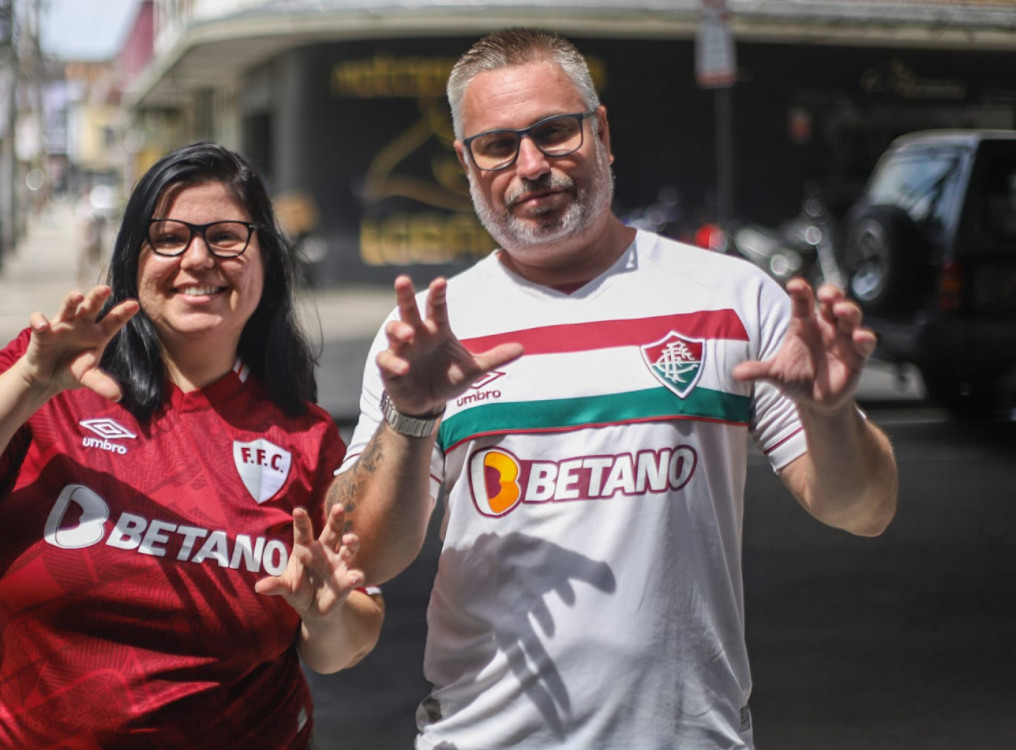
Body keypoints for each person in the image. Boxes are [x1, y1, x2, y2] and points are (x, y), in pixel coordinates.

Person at [326, 28, 897, 749]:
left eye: (555, 132)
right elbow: (360, 556)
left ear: (600, 132)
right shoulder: (433, 332)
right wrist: (411, 418)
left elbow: (865, 510)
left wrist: (830, 413)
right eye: (498, 145)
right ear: (467, 164)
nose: (530, 165)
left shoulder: (731, 297)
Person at [0, 143, 385, 749]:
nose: (198, 258)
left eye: (226, 236)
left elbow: (344, 644)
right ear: (132, 259)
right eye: (169, 237)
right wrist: (31, 384)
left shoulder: (305, 436)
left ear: (266, 261)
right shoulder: (49, 371)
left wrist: (324, 613)